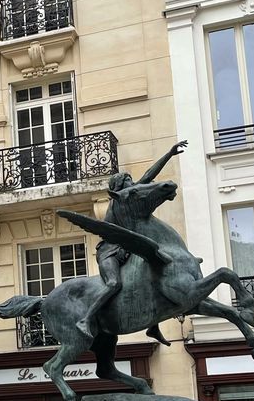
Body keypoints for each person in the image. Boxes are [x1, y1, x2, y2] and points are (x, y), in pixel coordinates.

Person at [75, 140, 188, 341]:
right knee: (113, 284)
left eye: (130, 181)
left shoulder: (129, 197)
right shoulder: (116, 205)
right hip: (109, 252)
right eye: (127, 182)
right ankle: (86, 318)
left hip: (127, 250)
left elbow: (148, 176)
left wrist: (169, 154)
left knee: (152, 274)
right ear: (119, 188)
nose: (131, 184)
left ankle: (153, 326)